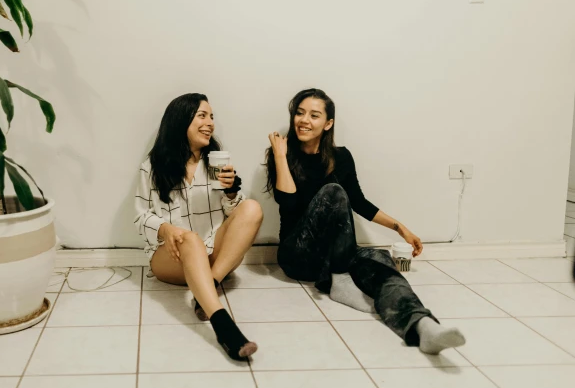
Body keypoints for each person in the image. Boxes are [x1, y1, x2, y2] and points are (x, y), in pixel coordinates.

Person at [266, 88, 465, 354]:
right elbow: (287, 204)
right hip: (297, 257)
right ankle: (340, 278)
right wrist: (280, 155)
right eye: (299, 113)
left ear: (328, 124)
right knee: (334, 192)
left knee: (382, 262)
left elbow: (359, 203)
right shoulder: (281, 154)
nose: (304, 120)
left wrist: (400, 228)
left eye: (314, 115)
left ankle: (424, 327)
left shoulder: (342, 157)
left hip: (333, 256)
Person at [135, 93, 263, 360]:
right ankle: (223, 326)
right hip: (171, 257)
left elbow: (234, 215)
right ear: (181, 120)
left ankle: (210, 283)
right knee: (190, 238)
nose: (210, 123)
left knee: (251, 207)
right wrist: (166, 229)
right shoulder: (153, 166)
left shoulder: (215, 162)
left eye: (212, 117)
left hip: (215, 257)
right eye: (202, 116)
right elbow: (140, 216)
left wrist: (231, 193)